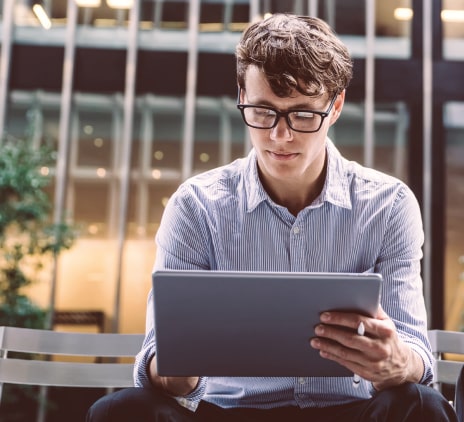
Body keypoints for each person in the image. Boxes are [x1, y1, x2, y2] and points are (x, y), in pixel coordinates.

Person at [87, 13, 457, 422]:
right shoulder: (195, 206)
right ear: (241, 96)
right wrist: (177, 374)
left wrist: (398, 361)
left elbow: (418, 357)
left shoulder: (388, 205)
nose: (280, 136)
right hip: (225, 411)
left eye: (302, 115)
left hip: (348, 410)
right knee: (120, 411)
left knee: (421, 405)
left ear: (335, 106)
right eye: (263, 112)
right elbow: (158, 359)